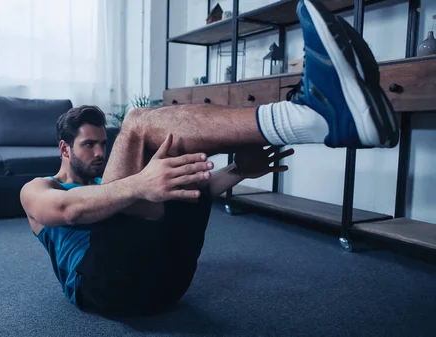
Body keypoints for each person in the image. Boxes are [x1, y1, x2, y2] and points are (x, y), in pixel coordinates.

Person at [20, 0, 399, 317]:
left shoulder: (114, 182)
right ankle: (307, 117)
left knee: (181, 174)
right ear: (65, 149)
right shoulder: (39, 189)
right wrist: (140, 184)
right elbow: (70, 210)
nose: (102, 152)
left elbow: (186, 195)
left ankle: (318, 118)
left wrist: (237, 171)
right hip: (104, 288)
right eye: (89, 145)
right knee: (137, 125)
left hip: (169, 284)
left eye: (104, 143)